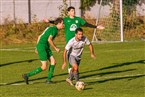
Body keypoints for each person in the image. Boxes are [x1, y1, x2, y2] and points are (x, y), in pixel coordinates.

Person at [44, 6, 104, 74]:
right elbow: (57, 22)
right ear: (68, 12)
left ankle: (73, 70)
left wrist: (96, 27)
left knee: (77, 56)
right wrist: (49, 21)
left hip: (78, 41)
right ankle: (70, 70)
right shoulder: (65, 20)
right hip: (69, 41)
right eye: (72, 11)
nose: (74, 12)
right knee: (70, 55)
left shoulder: (78, 19)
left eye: (74, 10)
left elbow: (86, 24)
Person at [22, 18, 64, 84]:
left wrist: (36, 47)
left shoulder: (50, 28)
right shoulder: (54, 30)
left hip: (44, 46)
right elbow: (49, 40)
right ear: (58, 23)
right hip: (42, 47)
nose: (63, 25)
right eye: (62, 23)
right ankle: (27, 75)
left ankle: (48, 80)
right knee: (44, 67)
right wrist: (56, 48)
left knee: (53, 62)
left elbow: (39, 36)